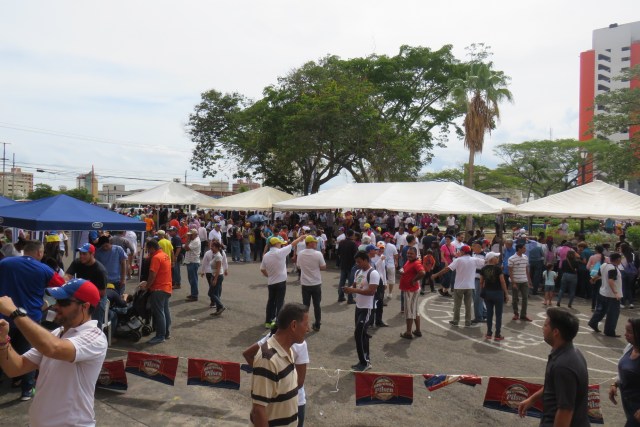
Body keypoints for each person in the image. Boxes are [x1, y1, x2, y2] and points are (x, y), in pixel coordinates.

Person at [0, 279, 107, 426]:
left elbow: (53, 348)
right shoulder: (58, 333)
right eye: (56, 300)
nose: (56, 306)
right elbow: (16, 367)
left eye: (63, 303)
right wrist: (3, 340)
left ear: (85, 306)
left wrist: (15, 312)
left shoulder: (95, 337)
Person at [0, 240, 65, 400]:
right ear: (39, 253)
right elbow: (61, 287)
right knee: (28, 353)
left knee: (3, 349)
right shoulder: (45, 269)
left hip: (4, 317)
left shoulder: (5, 262)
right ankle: (27, 390)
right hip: (30, 318)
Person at [518, 307, 589, 427]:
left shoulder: (563, 366)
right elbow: (554, 386)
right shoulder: (571, 352)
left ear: (555, 332)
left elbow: (565, 410)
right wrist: (533, 399)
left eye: (545, 325)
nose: (542, 328)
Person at [249, 303, 309, 427]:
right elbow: (258, 411)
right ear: (293, 325)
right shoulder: (268, 359)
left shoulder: (288, 351)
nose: (308, 329)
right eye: (306, 324)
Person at [344, 251, 379, 372]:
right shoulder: (359, 272)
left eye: (359, 261)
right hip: (359, 307)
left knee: (358, 334)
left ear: (365, 260)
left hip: (367, 308)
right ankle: (365, 360)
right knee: (362, 335)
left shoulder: (373, 273)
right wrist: (348, 289)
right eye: (356, 262)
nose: (357, 264)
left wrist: (353, 290)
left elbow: (371, 292)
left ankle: (364, 362)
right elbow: (356, 284)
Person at [432, 245, 485, 327]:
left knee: (457, 305)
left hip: (459, 286)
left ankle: (456, 321)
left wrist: (436, 274)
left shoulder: (458, 260)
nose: (459, 252)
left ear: (463, 252)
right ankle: (467, 322)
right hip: (470, 286)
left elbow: (447, 269)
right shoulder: (475, 259)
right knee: (468, 305)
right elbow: (486, 261)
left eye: (460, 251)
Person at [261, 234, 306, 328]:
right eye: (280, 243)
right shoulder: (280, 252)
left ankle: (268, 321)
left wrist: (268, 276)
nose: (281, 244)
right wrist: (300, 238)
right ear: (276, 244)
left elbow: (262, 269)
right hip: (281, 281)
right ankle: (278, 322)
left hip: (271, 281)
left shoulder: (266, 256)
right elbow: (292, 244)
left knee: (271, 301)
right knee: (280, 302)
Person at [65, 243, 109, 328]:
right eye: (80, 253)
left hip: (97, 298)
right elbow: (67, 276)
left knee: (94, 322)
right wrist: (65, 281)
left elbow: (102, 293)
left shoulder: (100, 270)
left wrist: (82, 292)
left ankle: (97, 333)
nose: (81, 256)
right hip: (81, 296)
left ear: (92, 254)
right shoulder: (77, 262)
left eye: (84, 254)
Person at [140, 239, 172, 344]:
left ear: (152, 248)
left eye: (148, 250)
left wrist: (147, 286)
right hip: (166, 287)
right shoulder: (164, 255)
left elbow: (152, 274)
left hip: (158, 288)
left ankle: (160, 335)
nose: (148, 252)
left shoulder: (156, 258)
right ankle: (166, 333)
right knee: (165, 311)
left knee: (159, 313)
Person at [609, 318, 640, 427]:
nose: (625, 334)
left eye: (629, 332)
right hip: (628, 405)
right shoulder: (630, 347)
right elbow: (622, 369)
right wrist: (615, 383)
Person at [589, 252, 624, 337]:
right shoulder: (613, 268)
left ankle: (593, 322)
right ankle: (609, 331)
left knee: (601, 310)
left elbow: (599, 274)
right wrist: (616, 293)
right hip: (611, 295)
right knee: (613, 314)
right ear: (618, 259)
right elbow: (611, 280)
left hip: (603, 292)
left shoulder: (604, 265)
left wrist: (594, 279)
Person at [296, 235, 326, 332]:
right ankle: (317, 324)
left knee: (305, 306)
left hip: (305, 283)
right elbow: (323, 267)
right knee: (317, 305)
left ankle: (305, 325)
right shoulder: (318, 254)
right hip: (316, 283)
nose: (316, 244)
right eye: (315, 242)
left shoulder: (300, 254)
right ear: (309, 243)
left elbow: (298, 266)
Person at [480, 252, 509, 341]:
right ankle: (497, 333)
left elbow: (481, 282)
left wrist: (483, 290)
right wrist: (506, 293)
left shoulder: (483, 268)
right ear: (492, 259)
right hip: (497, 293)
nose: (497, 258)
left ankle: (489, 332)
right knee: (498, 314)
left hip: (488, 292)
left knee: (489, 313)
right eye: (496, 257)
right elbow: (502, 281)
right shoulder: (498, 268)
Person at [399, 246, 425, 339]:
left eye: (411, 254)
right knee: (415, 310)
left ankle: (408, 332)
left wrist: (414, 280)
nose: (409, 255)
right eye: (408, 253)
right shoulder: (409, 261)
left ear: (415, 254)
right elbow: (407, 269)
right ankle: (417, 330)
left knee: (409, 312)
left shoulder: (416, 263)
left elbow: (422, 272)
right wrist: (403, 272)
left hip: (410, 290)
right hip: (411, 289)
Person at [200, 240, 227, 316]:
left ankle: (220, 306)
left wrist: (215, 279)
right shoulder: (214, 254)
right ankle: (218, 309)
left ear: (217, 247)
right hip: (214, 275)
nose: (211, 247)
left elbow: (218, 269)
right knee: (215, 293)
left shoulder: (218, 256)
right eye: (211, 246)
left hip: (217, 276)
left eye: (213, 246)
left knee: (211, 293)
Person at [508, 243, 532, 321]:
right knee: (515, 298)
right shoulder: (512, 258)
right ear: (519, 249)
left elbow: (526, 269)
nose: (525, 250)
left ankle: (523, 314)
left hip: (524, 280)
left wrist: (529, 280)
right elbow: (510, 272)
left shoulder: (525, 257)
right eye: (524, 248)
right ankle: (516, 314)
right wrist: (513, 282)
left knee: (525, 298)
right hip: (516, 281)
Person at [337, 230, 358, 304]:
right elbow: (356, 256)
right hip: (351, 265)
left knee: (342, 281)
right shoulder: (353, 244)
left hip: (343, 264)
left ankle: (340, 296)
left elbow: (338, 253)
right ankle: (350, 298)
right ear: (352, 235)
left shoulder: (342, 242)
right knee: (350, 283)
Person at [184, 229, 201, 302]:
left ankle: (194, 295)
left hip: (193, 262)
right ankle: (193, 293)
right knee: (191, 279)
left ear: (194, 235)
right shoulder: (193, 240)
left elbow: (187, 248)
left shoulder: (196, 241)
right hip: (191, 261)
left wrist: (187, 240)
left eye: (190, 235)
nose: (189, 236)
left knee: (193, 279)